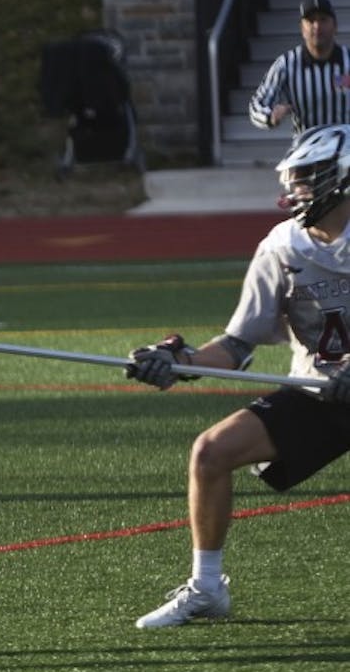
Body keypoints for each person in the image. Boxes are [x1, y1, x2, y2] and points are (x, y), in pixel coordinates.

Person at [125, 123, 350, 627]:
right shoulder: (282, 247)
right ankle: (207, 589)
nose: (297, 189)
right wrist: (177, 361)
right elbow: (237, 346)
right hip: (319, 392)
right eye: (295, 179)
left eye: (309, 177)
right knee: (211, 451)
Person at [248, 0, 350, 136]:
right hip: (306, 146)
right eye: (311, 21)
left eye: (323, 19)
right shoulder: (287, 64)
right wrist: (270, 116)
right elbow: (257, 104)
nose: (317, 26)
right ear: (302, 29)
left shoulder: (347, 60)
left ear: (335, 26)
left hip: (346, 146)